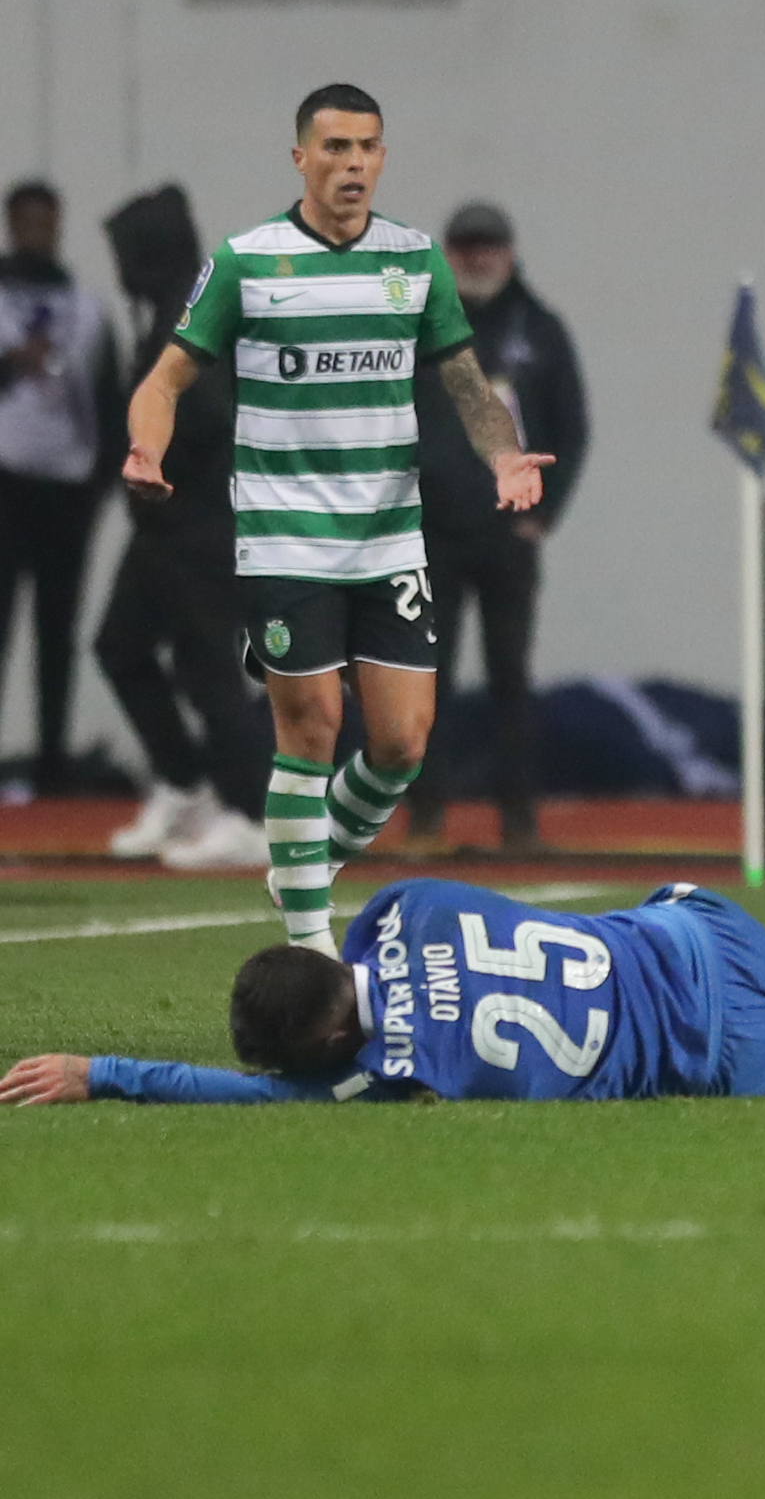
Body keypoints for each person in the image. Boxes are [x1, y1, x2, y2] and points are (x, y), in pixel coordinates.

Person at [123, 87, 551, 957]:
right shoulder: (248, 262)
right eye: (336, 147)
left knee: (400, 745)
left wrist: (505, 456)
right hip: (286, 534)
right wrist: (145, 451)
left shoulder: (414, 261)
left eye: (369, 147)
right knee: (311, 723)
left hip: (389, 538)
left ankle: (304, 859)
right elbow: (165, 380)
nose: (354, 163)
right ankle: (311, 946)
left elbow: (466, 383)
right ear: (300, 159)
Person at [0, 877, 765, 1105]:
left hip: (714, 1056)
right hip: (687, 937)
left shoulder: (394, 1065)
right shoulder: (401, 904)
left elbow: (255, 1097)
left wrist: (104, 1071)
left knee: (754, 1064)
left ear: (324, 1039)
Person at [96, 184, 271, 868]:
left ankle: (255, 815)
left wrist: (151, 459)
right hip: (166, 525)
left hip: (199, 522)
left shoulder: (191, 317)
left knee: (207, 669)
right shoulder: (176, 310)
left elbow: (203, 416)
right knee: (121, 647)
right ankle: (183, 783)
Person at [407, 201, 590, 852]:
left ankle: (518, 821)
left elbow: (569, 427)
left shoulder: (537, 330)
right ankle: (425, 816)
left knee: (510, 677)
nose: (477, 256)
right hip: (432, 533)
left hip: (508, 536)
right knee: (426, 677)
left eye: (488, 245)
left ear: (509, 251)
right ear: (448, 251)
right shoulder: (421, 328)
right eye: (465, 245)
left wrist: (543, 514)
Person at [0, 178, 121, 793]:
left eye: (46, 222)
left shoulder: (87, 310)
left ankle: (51, 769)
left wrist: (99, 490)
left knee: (58, 637)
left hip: (65, 496)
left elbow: (111, 401)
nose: (36, 233)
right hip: (5, 485)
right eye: (25, 222)